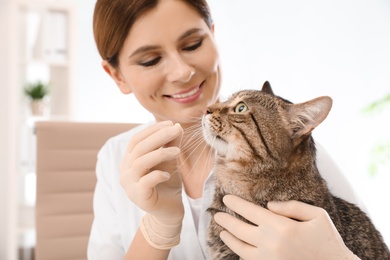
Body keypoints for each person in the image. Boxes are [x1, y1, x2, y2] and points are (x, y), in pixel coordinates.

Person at [88, 0, 363, 259]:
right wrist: (159, 228)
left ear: (213, 35)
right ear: (117, 76)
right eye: (150, 60)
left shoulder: (294, 159)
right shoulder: (113, 158)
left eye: (193, 44)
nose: (183, 72)